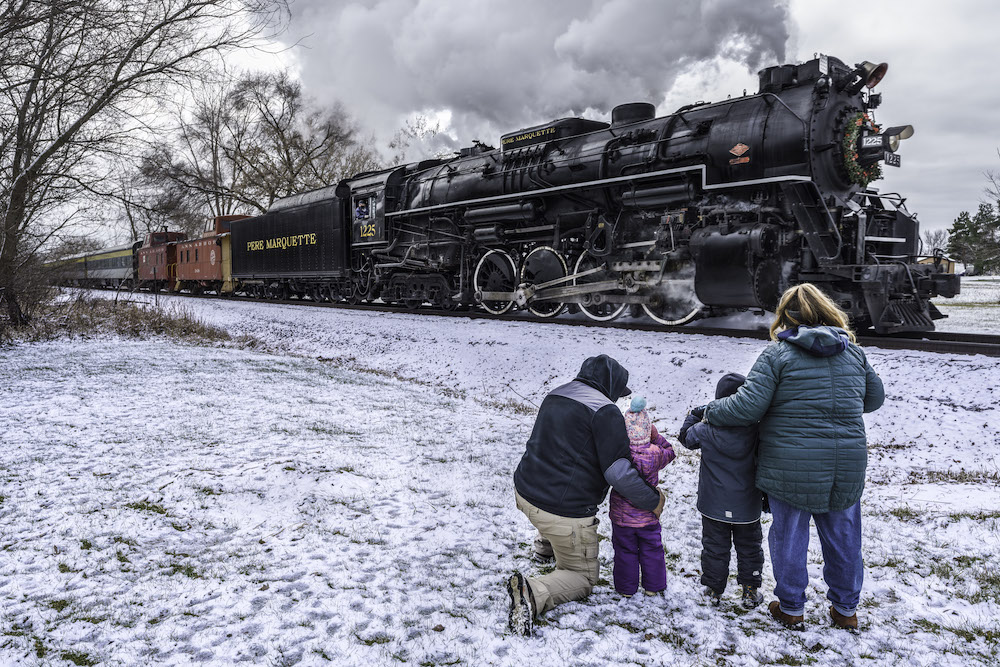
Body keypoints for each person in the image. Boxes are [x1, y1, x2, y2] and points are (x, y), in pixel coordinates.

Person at [701, 283, 884, 631]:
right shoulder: (854, 354)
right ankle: (846, 611)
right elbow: (873, 400)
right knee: (844, 537)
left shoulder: (777, 355)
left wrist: (709, 410)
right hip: (845, 463)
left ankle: (791, 608)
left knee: (789, 537)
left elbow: (746, 406)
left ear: (786, 316)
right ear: (829, 312)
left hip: (790, 465)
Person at [507, 355, 666, 637]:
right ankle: (532, 593)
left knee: (557, 483)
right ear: (610, 386)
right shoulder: (605, 411)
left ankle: (546, 546)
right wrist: (653, 500)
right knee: (582, 577)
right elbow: (618, 473)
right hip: (561, 512)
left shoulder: (556, 394)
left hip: (524, 491)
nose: (617, 399)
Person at [678, 373, 765, 610]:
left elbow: (685, 438)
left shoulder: (706, 429)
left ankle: (714, 589)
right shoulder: (755, 430)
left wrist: (697, 413)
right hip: (747, 504)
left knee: (715, 547)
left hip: (713, 504)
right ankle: (750, 590)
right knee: (749, 547)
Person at [609, 396, 676, 598]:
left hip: (622, 516)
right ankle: (653, 587)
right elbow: (671, 452)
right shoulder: (655, 454)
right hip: (648, 514)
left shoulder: (620, 452)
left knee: (624, 551)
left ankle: (626, 589)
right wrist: (655, 437)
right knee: (652, 550)